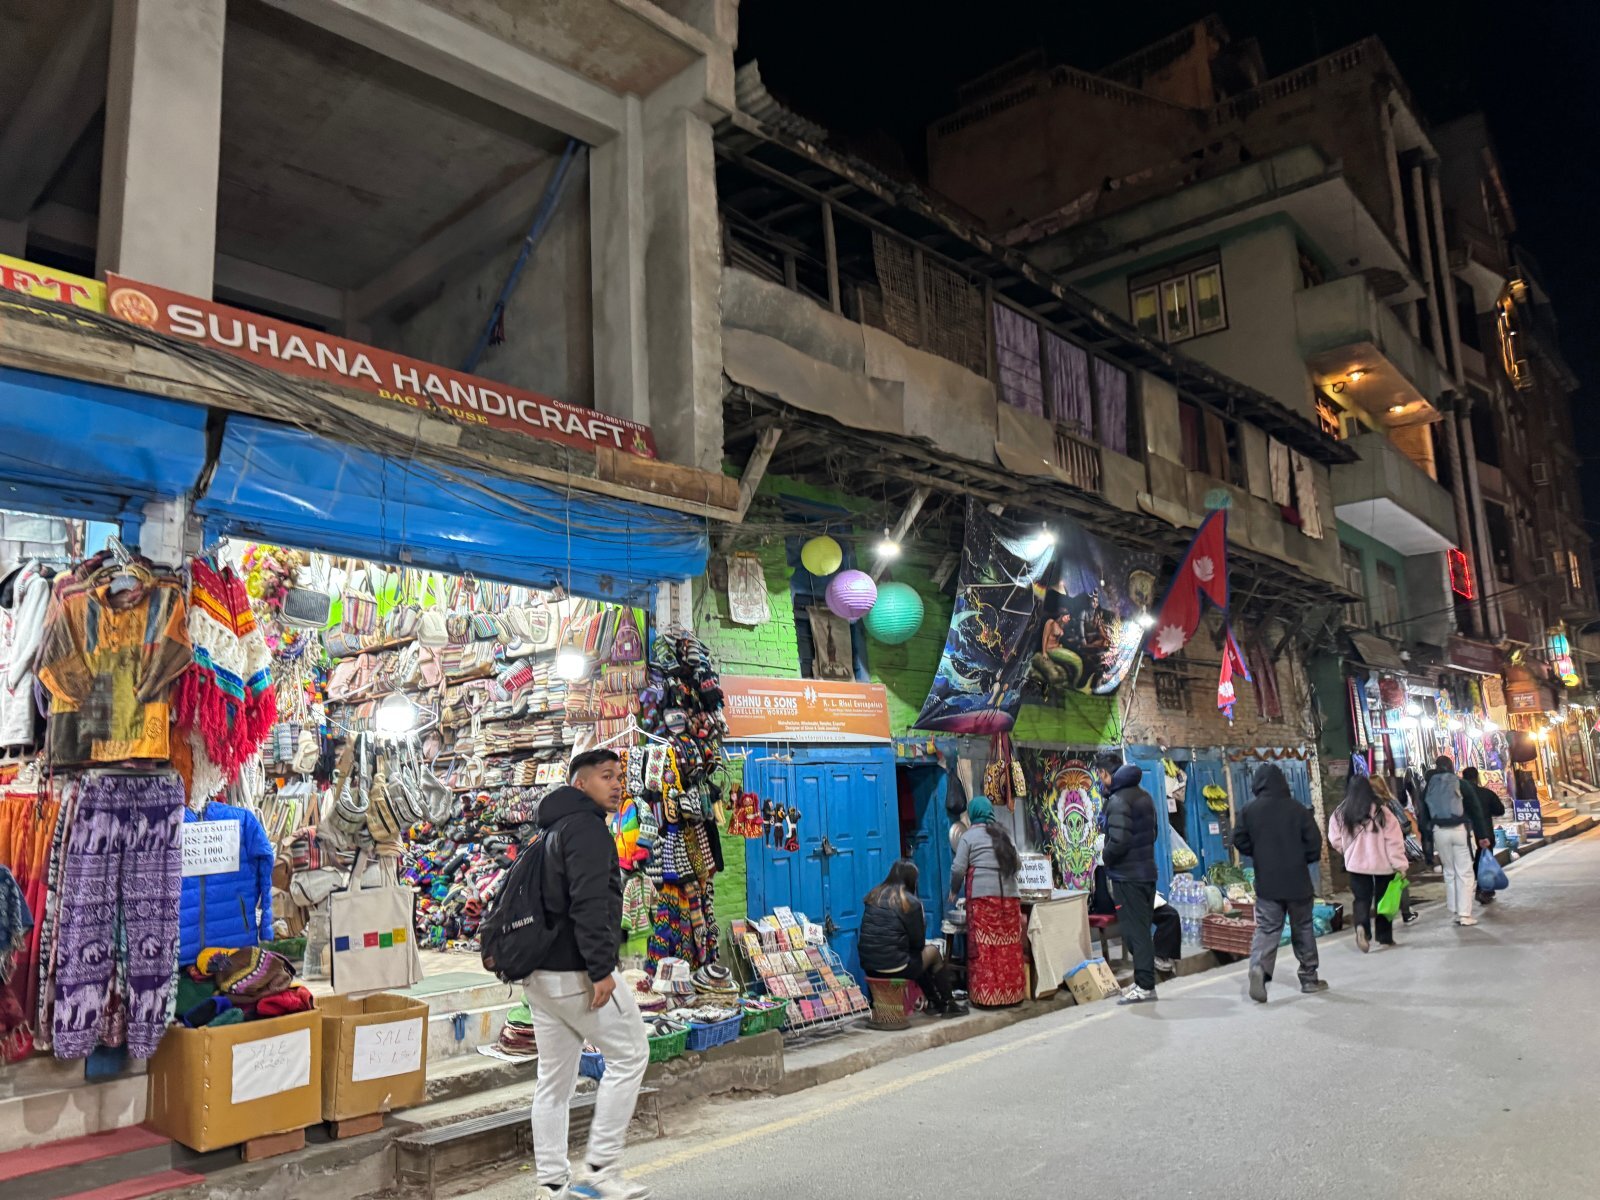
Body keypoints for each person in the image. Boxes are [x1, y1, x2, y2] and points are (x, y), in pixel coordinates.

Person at [519, 749, 651, 1200]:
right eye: (605, 776)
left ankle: (552, 1185)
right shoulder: (588, 830)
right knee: (631, 1053)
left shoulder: (549, 830)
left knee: (553, 1081)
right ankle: (601, 1168)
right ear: (580, 785)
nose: (616, 784)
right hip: (575, 972)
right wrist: (601, 970)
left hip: (539, 976)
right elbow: (591, 902)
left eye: (619, 776)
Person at [1233, 763, 1327, 1003]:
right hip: (1297, 880)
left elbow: (1239, 840)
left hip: (1268, 882)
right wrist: (1302, 858)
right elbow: (1314, 843)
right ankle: (1309, 978)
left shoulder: (1249, 810)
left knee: (1267, 928)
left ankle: (1260, 969)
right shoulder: (1298, 809)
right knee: (1303, 927)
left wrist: (1259, 853)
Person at [860, 859, 966, 1018]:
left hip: (869, 966)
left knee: (916, 959)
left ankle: (933, 1003)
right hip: (895, 967)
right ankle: (947, 1003)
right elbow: (918, 943)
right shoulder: (909, 902)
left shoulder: (874, 895)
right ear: (912, 880)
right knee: (933, 953)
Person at [1095, 752, 1159, 1005]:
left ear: (1106, 773)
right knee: (1140, 929)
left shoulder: (1119, 800)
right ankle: (1144, 981)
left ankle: (1145, 986)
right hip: (1146, 872)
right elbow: (1152, 834)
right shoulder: (1144, 796)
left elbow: (1119, 841)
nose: (1101, 780)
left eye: (1100, 775)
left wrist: (1105, 856)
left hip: (1128, 876)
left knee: (1135, 933)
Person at [949, 796, 1024, 1007]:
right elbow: (1017, 864)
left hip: (983, 899)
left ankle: (987, 998)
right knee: (1008, 944)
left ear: (973, 814)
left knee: (985, 947)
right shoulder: (1004, 835)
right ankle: (1012, 995)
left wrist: (954, 891)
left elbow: (958, 868)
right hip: (1009, 898)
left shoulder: (969, 836)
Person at [1328, 777, 1409, 953]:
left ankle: (1362, 928)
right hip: (1383, 864)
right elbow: (1394, 841)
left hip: (1356, 865)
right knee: (1383, 901)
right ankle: (1385, 937)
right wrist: (1400, 865)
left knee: (1361, 899)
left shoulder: (1341, 813)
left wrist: (1347, 851)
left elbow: (1334, 839)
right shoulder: (1382, 811)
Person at [1420, 756, 1478, 927]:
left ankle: (1454, 910)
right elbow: (1475, 809)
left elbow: (1423, 815)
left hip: (1439, 831)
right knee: (1465, 872)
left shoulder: (1429, 786)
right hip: (1459, 829)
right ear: (1451, 766)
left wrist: (1427, 845)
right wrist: (1481, 834)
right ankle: (1465, 914)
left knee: (1449, 871)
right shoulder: (1461, 783)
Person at [1369, 775, 1418, 924]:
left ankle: (1383, 912)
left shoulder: (1367, 806)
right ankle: (1406, 912)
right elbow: (1405, 824)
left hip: (1375, 849)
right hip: (1393, 845)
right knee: (1399, 879)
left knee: (1379, 882)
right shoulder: (1391, 802)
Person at [1461, 766, 1503, 906]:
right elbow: (1500, 810)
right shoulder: (1486, 793)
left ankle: (1475, 892)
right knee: (1485, 861)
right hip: (1485, 833)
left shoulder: (1458, 796)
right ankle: (1484, 890)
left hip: (1463, 834)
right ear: (1477, 778)